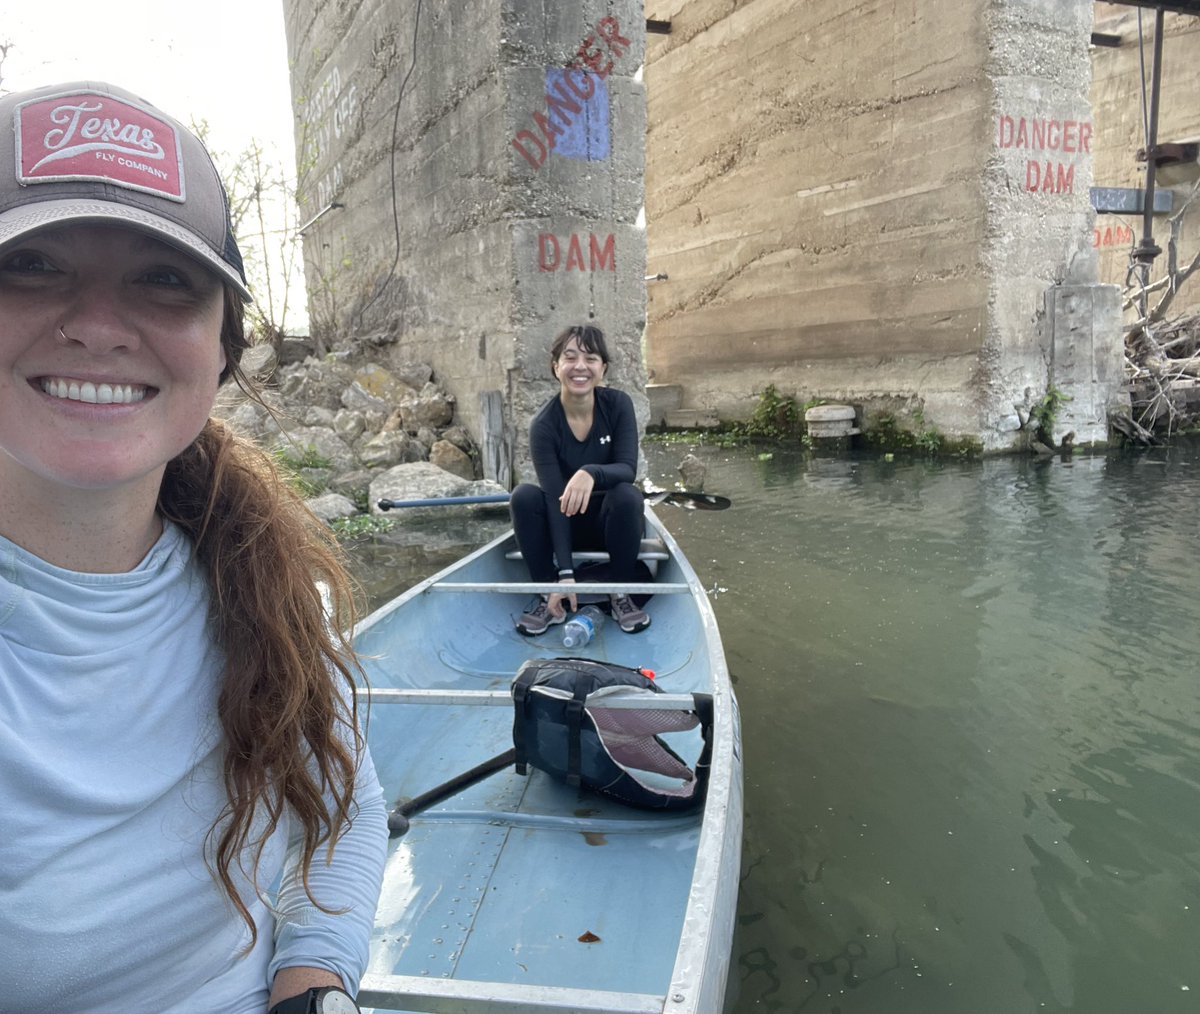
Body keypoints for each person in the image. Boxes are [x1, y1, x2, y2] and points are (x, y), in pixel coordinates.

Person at [0, 82, 388, 1014]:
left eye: (164, 278)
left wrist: (314, 981)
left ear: (223, 348)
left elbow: (343, 809)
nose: (96, 325)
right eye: (34, 265)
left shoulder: (257, 571)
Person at [510, 324, 651, 635]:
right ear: (555, 366)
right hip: (563, 525)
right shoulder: (544, 426)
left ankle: (620, 591)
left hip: (609, 524)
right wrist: (565, 573)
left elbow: (628, 468)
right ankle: (548, 595)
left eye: (590, 358)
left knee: (628, 494)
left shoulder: (618, 405)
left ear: (603, 369)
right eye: (570, 357)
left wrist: (590, 472)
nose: (580, 367)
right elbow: (552, 498)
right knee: (523, 497)